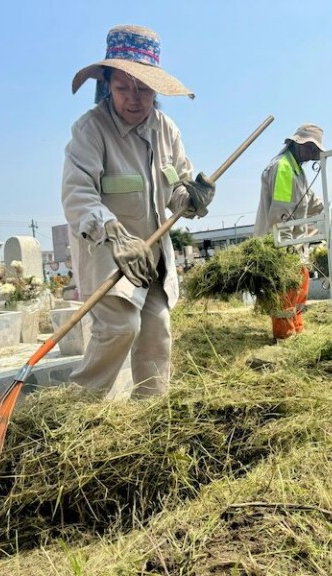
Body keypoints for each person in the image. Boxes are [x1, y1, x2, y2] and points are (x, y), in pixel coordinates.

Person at [62, 25, 215, 399]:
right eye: (122, 88)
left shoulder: (167, 129)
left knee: (157, 329)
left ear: (156, 90)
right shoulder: (90, 130)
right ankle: (79, 409)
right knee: (119, 327)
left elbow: (177, 186)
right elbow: (77, 194)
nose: (133, 99)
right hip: (107, 251)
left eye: (143, 88)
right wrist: (114, 234)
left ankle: (149, 415)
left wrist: (191, 198)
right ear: (107, 85)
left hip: (152, 255)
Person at [254, 124, 325, 339]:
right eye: (310, 149)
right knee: (285, 290)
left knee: (300, 287)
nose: (312, 155)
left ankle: (297, 327)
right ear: (296, 142)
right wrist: (285, 250)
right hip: (283, 242)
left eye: (315, 151)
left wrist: (325, 207)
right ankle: (284, 335)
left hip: (296, 242)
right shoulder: (283, 168)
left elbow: (309, 201)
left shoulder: (297, 169)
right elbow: (280, 214)